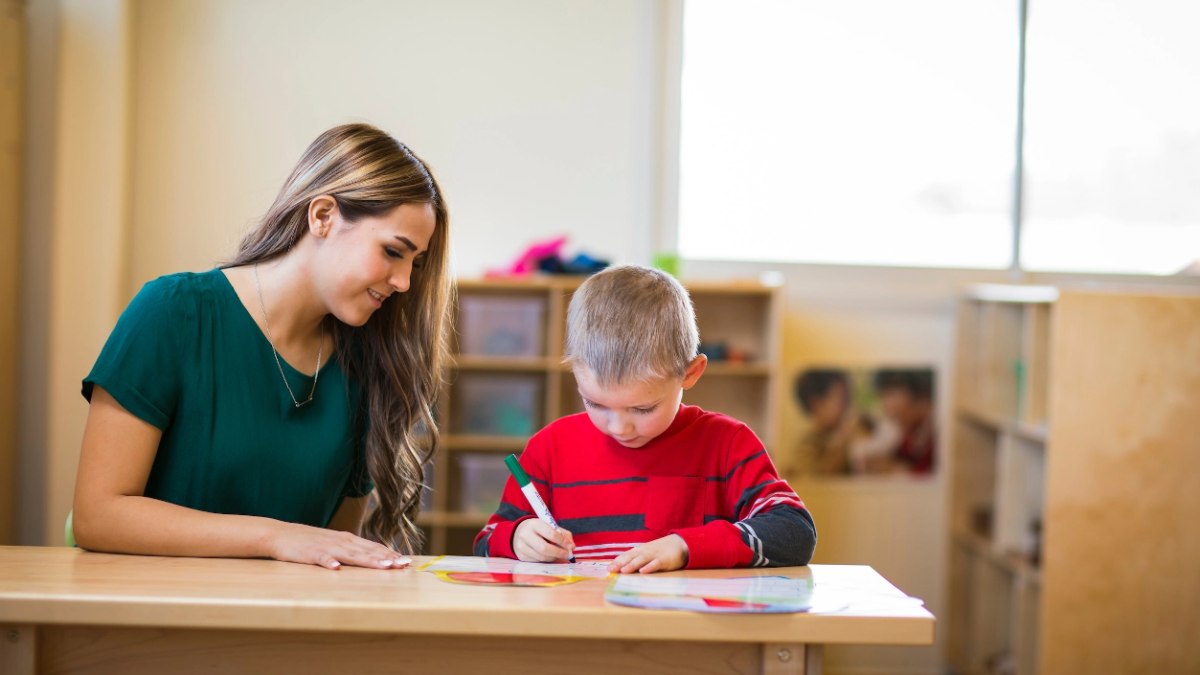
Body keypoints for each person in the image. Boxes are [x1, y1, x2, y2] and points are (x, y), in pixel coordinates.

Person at [71, 124, 451, 570]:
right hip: (161, 620)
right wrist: (273, 536)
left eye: (415, 263)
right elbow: (97, 516)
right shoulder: (172, 313)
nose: (405, 282)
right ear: (323, 216)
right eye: (392, 251)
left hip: (286, 626)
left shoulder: (367, 365)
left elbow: (332, 550)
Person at [473, 265, 816, 572]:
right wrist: (517, 538)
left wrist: (686, 546)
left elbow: (795, 532)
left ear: (690, 373)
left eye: (642, 409)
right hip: (576, 629)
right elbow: (486, 541)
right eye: (595, 403)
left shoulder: (727, 444)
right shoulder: (550, 447)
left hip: (682, 630)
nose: (618, 427)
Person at [868, 369, 936, 474]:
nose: (886, 407)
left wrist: (896, 470)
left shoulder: (941, 432)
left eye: (891, 394)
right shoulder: (912, 430)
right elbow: (900, 455)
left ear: (921, 395)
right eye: (882, 396)